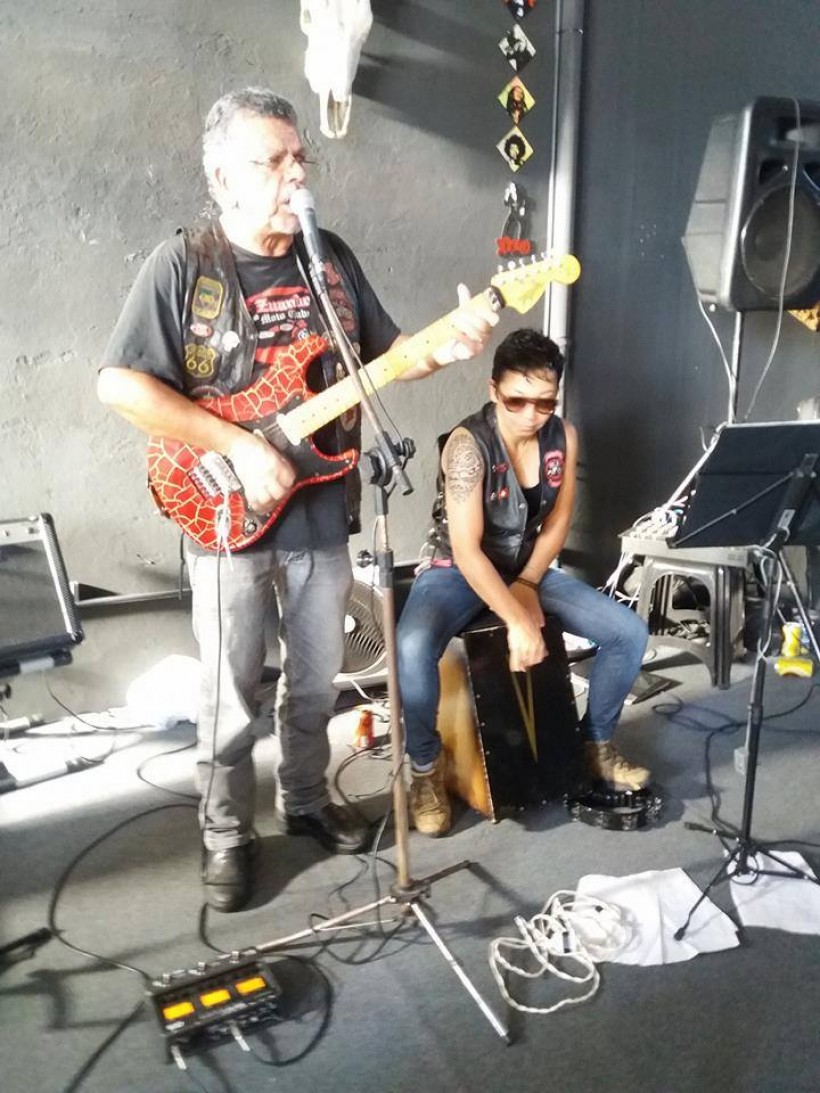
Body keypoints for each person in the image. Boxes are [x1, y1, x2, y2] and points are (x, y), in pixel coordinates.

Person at [97, 87, 496, 911]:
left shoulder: (329, 258)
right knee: (229, 694)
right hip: (224, 518)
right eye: (271, 160)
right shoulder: (184, 265)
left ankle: (305, 799)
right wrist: (239, 446)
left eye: (299, 158)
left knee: (316, 682)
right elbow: (121, 385)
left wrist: (448, 346)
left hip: (320, 510)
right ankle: (224, 832)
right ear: (221, 177)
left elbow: (390, 356)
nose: (295, 174)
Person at [396, 328, 650, 837]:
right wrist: (516, 619)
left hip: (524, 566)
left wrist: (528, 583)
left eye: (544, 402)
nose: (531, 415)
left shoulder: (563, 437)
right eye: (516, 401)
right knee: (412, 645)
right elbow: (467, 550)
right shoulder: (467, 447)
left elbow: (557, 523)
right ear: (493, 390)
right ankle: (425, 767)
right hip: (456, 569)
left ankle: (594, 743)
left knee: (629, 633)